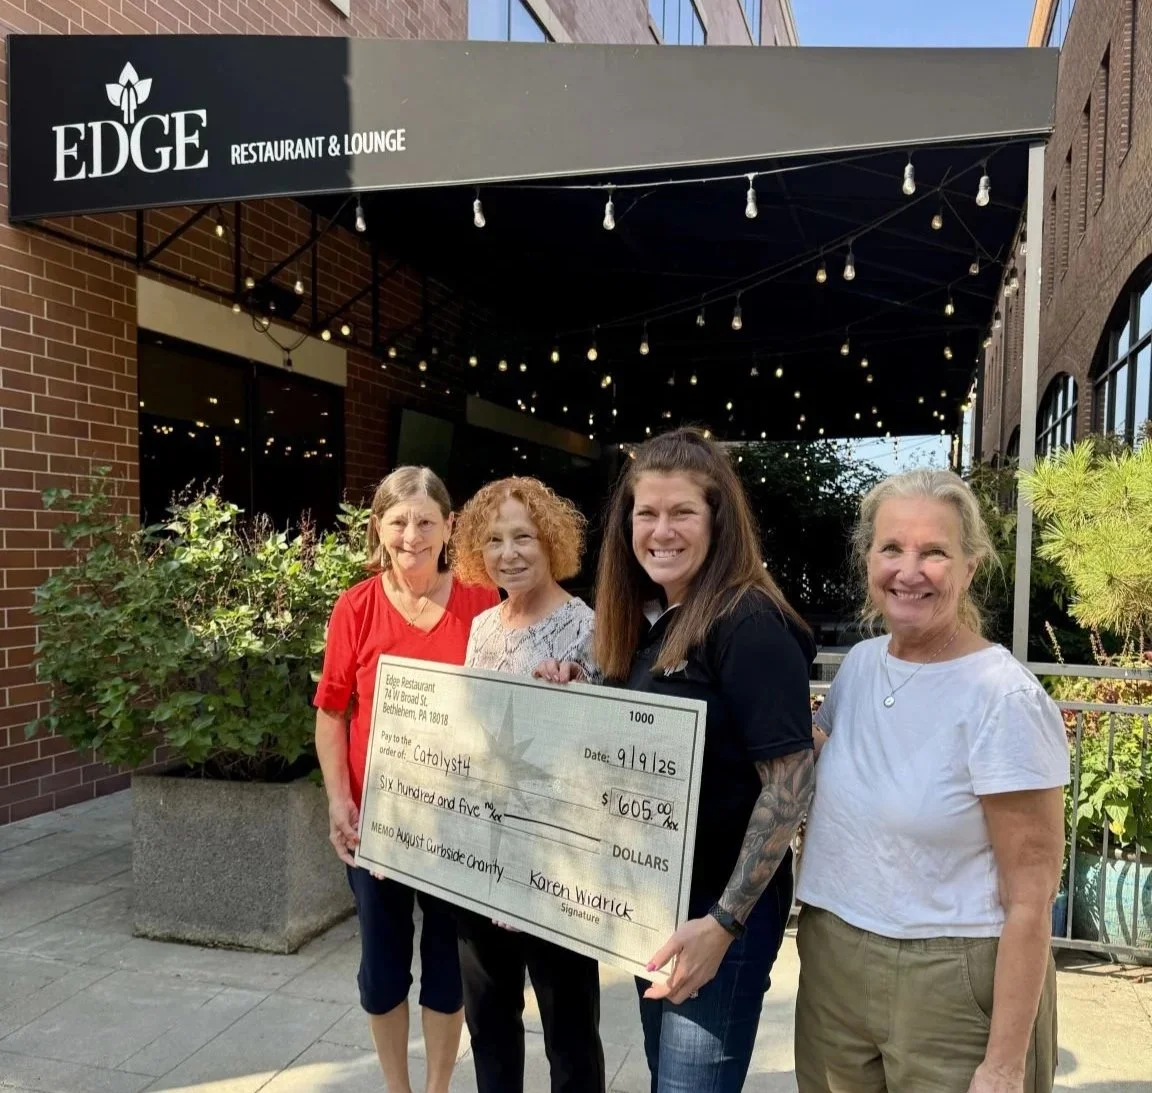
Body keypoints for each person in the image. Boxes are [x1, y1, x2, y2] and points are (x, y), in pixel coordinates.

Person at [541, 427, 817, 1093]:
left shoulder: (747, 620)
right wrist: (576, 697)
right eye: (646, 512)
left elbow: (791, 786)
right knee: (670, 1077)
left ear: (717, 521)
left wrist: (722, 925)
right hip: (649, 904)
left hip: (715, 918)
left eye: (682, 512)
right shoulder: (649, 618)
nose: (661, 530)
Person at [794, 468, 1068, 1093]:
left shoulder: (1003, 698)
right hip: (833, 959)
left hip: (951, 979)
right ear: (869, 558)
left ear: (970, 567)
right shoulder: (861, 667)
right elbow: (821, 771)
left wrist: (1002, 1066)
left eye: (934, 552)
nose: (908, 571)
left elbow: (1031, 897)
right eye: (892, 548)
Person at [313, 466, 499, 1093]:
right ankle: (398, 1087)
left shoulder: (482, 602)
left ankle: (438, 1087)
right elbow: (331, 714)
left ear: (450, 526)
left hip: (458, 830)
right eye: (398, 521)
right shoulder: (356, 607)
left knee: (448, 971)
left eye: (425, 521)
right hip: (378, 827)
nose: (411, 536)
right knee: (383, 969)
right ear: (379, 528)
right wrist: (339, 800)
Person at [451, 475, 607, 1093]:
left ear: (551, 542)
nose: (508, 553)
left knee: (569, 1029)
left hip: (555, 863)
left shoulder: (584, 625)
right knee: (489, 1021)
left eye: (523, 537)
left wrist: (576, 687)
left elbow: (599, 746)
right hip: (482, 858)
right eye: (493, 540)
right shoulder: (482, 628)